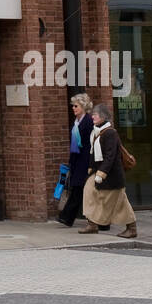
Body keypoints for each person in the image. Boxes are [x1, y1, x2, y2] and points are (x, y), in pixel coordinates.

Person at [78, 102, 137, 239]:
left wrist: (101, 173)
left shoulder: (110, 133)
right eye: (93, 114)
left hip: (112, 175)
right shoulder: (97, 131)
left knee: (121, 201)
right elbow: (93, 153)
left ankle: (132, 228)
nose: (93, 116)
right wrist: (91, 168)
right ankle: (92, 224)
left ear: (103, 117)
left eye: (96, 114)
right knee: (88, 191)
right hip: (99, 172)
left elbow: (110, 156)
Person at [56, 93, 93, 227]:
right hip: (77, 159)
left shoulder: (88, 121)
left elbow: (89, 143)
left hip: (85, 160)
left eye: (76, 106)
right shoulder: (77, 122)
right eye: (73, 106)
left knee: (78, 188)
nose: (73, 108)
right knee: (78, 189)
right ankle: (67, 217)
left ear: (83, 106)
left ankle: (67, 217)